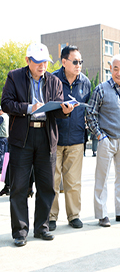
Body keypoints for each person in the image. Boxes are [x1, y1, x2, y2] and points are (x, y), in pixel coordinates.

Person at [1, 43, 75, 247]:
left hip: (46, 137)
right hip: (21, 140)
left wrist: (66, 110)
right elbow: (6, 103)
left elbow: (57, 109)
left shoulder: (53, 81)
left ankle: (41, 228)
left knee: (47, 186)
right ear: (28, 61)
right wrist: (27, 108)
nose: (43, 66)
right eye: (38, 62)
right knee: (19, 187)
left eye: (45, 62)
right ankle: (20, 232)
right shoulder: (14, 77)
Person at [86, 54, 120, 227]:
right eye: (116, 68)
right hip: (106, 140)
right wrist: (100, 135)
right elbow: (91, 113)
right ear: (110, 69)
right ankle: (102, 214)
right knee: (102, 178)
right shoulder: (101, 89)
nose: (119, 72)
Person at [49, 46, 91, 231]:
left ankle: (74, 215)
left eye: (80, 62)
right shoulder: (51, 79)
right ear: (63, 61)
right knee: (52, 180)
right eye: (75, 61)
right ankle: (50, 217)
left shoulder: (86, 82)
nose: (78, 65)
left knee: (73, 181)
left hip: (76, 138)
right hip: (54, 139)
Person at [0, 106, 9, 196]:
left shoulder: (2, 117)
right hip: (7, 137)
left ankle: (1, 167)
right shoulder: (7, 116)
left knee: (2, 154)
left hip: (3, 138)